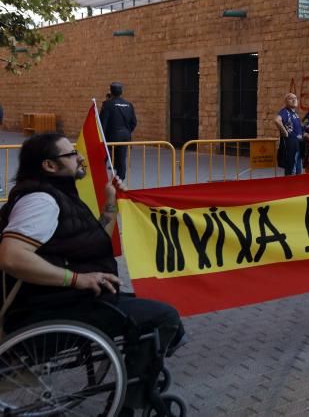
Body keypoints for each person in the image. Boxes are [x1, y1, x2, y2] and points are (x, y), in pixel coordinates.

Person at [0, 133, 184, 412]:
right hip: (54, 307)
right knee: (163, 318)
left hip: (69, 299)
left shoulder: (58, 195)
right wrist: (78, 279)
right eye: (71, 154)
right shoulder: (41, 201)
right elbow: (12, 257)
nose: (80, 157)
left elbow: (96, 239)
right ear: (50, 165)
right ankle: (130, 405)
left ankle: (140, 373)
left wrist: (112, 201)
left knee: (155, 316)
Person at [100, 81, 138, 181]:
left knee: (103, 158)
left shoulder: (108, 104)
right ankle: (120, 181)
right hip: (125, 136)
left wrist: (102, 136)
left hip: (111, 136)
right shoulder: (129, 105)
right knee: (121, 159)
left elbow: (102, 123)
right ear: (122, 92)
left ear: (111, 91)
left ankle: (99, 180)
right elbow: (134, 122)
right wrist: (127, 131)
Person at [274, 93, 303, 176]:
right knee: (291, 171)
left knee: (298, 170)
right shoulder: (285, 112)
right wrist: (285, 132)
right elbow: (277, 120)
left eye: (295, 98)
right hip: (290, 146)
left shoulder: (295, 114)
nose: (294, 100)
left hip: (297, 145)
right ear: (286, 102)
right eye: (291, 98)